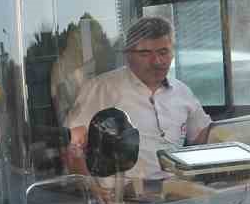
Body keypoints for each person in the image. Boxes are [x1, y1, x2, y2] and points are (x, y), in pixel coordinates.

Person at [64, 15, 210, 184]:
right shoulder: (102, 89)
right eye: (145, 53)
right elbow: (70, 146)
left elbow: (205, 136)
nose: (157, 61)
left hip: (175, 192)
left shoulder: (182, 92)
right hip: (123, 200)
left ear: (173, 52)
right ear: (128, 55)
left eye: (163, 52)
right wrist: (91, 188)